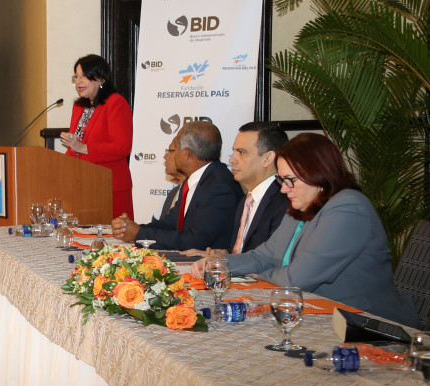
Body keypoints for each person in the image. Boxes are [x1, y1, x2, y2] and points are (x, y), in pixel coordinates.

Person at [194, 133, 419, 326]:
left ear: (317, 174)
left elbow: (297, 279)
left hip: (367, 325)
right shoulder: (301, 207)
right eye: (282, 180)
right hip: (321, 316)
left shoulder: (348, 208)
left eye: (290, 180)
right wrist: (219, 264)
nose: (284, 189)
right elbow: (264, 256)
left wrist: (258, 276)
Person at [111, 122, 240, 251]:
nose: (168, 154)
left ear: (186, 153)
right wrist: (131, 228)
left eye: (175, 147)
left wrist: (138, 234)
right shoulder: (197, 180)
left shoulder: (218, 187)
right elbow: (170, 225)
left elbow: (193, 241)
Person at [60, 54, 134, 219]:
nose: (78, 82)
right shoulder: (79, 106)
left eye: (84, 76)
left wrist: (84, 148)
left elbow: (122, 147)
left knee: (113, 234)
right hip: (82, 186)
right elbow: (74, 145)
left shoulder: (116, 103)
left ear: (100, 79)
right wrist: (60, 167)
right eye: (76, 77)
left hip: (110, 187)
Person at [224, 121, 290, 254]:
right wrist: (221, 256)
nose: (231, 160)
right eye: (234, 151)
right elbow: (241, 253)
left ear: (267, 158)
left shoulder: (284, 202)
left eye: (241, 152)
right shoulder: (246, 201)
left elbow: (271, 259)